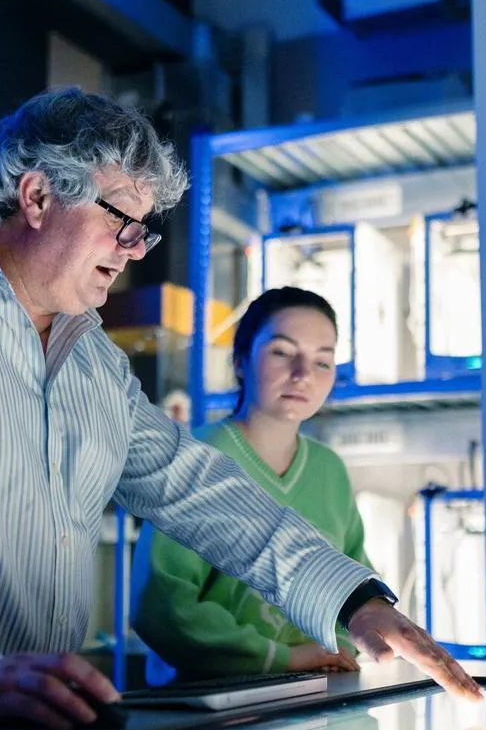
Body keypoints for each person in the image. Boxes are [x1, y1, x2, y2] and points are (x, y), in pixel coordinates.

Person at [0, 87, 481, 730]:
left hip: (16, 718)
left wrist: (355, 601)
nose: (135, 251)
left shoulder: (93, 363)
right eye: (123, 220)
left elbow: (207, 493)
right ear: (35, 197)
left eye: (145, 230)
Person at [132, 287, 371, 684]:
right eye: (281, 352)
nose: (302, 374)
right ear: (241, 360)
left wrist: (341, 649)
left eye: (322, 361)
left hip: (313, 699)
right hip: (205, 707)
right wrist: (285, 658)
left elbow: (355, 581)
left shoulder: (329, 469)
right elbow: (163, 606)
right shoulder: (194, 458)